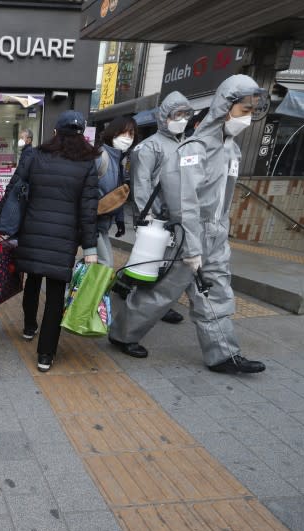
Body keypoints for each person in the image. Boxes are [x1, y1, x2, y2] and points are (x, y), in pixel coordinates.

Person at [108, 75, 268, 375]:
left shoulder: (230, 149)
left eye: (252, 111)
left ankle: (223, 354)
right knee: (161, 292)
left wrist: (221, 231)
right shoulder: (194, 149)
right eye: (244, 109)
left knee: (216, 291)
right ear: (226, 106)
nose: (248, 117)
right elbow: (185, 203)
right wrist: (191, 247)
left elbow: (225, 196)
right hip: (186, 234)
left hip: (215, 233)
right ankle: (122, 334)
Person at [14, 111, 100, 371]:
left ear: (55, 133)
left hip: (33, 229)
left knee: (32, 279)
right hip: (64, 237)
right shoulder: (87, 164)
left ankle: (29, 327)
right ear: (82, 135)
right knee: (54, 295)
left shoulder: (36, 156)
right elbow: (88, 209)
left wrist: (0, 224)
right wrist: (90, 247)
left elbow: (16, 189)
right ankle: (45, 355)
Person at [127, 92, 197, 326]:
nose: (182, 120)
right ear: (164, 116)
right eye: (177, 115)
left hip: (178, 216)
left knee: (165, 264)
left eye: (185, 115)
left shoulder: (186, 145)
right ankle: (141, 306)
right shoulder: (148, 147)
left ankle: (155, 303)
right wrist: (146, 216)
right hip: (156, 218)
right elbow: (141, 183)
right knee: (150, 264)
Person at [94, 116, 136, 266]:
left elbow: (118, 194)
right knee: (104, 265)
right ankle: (77, 289)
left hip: (103, 225)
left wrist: (120, 219)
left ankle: (77, 289)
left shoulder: (119, 160)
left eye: (130, 134)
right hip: (93, 223)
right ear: (112, 133)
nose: (127, 138)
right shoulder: (101, 156)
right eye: (122, 133)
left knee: (97, 265)